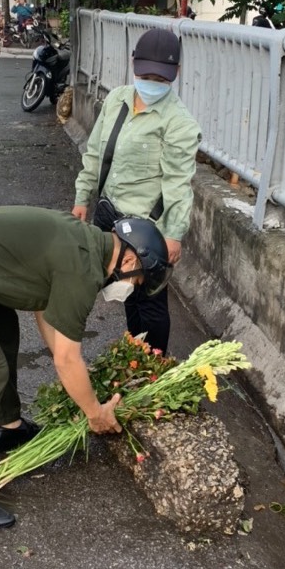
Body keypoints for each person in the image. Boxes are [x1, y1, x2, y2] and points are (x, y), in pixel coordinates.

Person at [0, 206, 172, 528]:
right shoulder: (83, 271)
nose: (132, 288)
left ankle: (8, 428)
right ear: (128, 261)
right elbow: (67, 358)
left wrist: (75, 381)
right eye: (137, 280)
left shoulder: (86, 245)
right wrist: (95, 413)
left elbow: (46, 310)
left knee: (4, 330)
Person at [71, 28, 201, 355]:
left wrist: (173, 234)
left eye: (161, 76)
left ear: (176, 74)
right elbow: (96, 153)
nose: (152, 81)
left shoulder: (179, 123)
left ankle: (152, 369)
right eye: (146, 73)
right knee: (124, 291)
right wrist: (82, 197)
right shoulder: (117, 100)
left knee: (151, 301)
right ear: (133, 65)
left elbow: (178, 183)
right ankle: (135, 355)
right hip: (110, 214)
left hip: (148, 226)